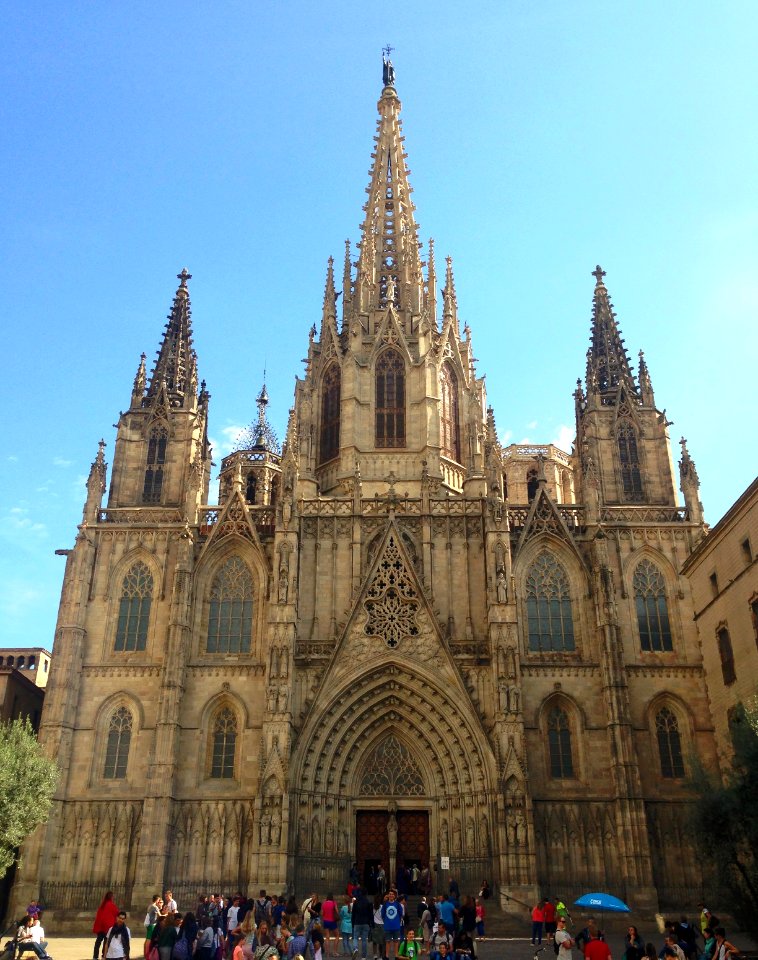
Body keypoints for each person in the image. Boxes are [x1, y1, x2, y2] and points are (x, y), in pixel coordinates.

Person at [94, 893, 121, 960]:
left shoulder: (102, 905)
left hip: (101, 927)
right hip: (108, 927)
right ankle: (104, 956)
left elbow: (99, 916)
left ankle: (95, 956)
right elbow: (117, 914)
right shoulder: (112, 905)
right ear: (111, 897)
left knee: (98, 942)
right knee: (106, 943)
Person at [381, 892, 403, 960]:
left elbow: (401, 913)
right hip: (387, 926)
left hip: (396, 926)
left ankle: (396, 955)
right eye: (390, 894)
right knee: (387, 942)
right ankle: (387, 956)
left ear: (394, 896)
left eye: (392, 894)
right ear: (388, 895)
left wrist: (397, 921)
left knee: (396, 942)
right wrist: (386, 921)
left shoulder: (397, 904)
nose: (391, 895)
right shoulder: (385, 904)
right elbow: (382, 914)